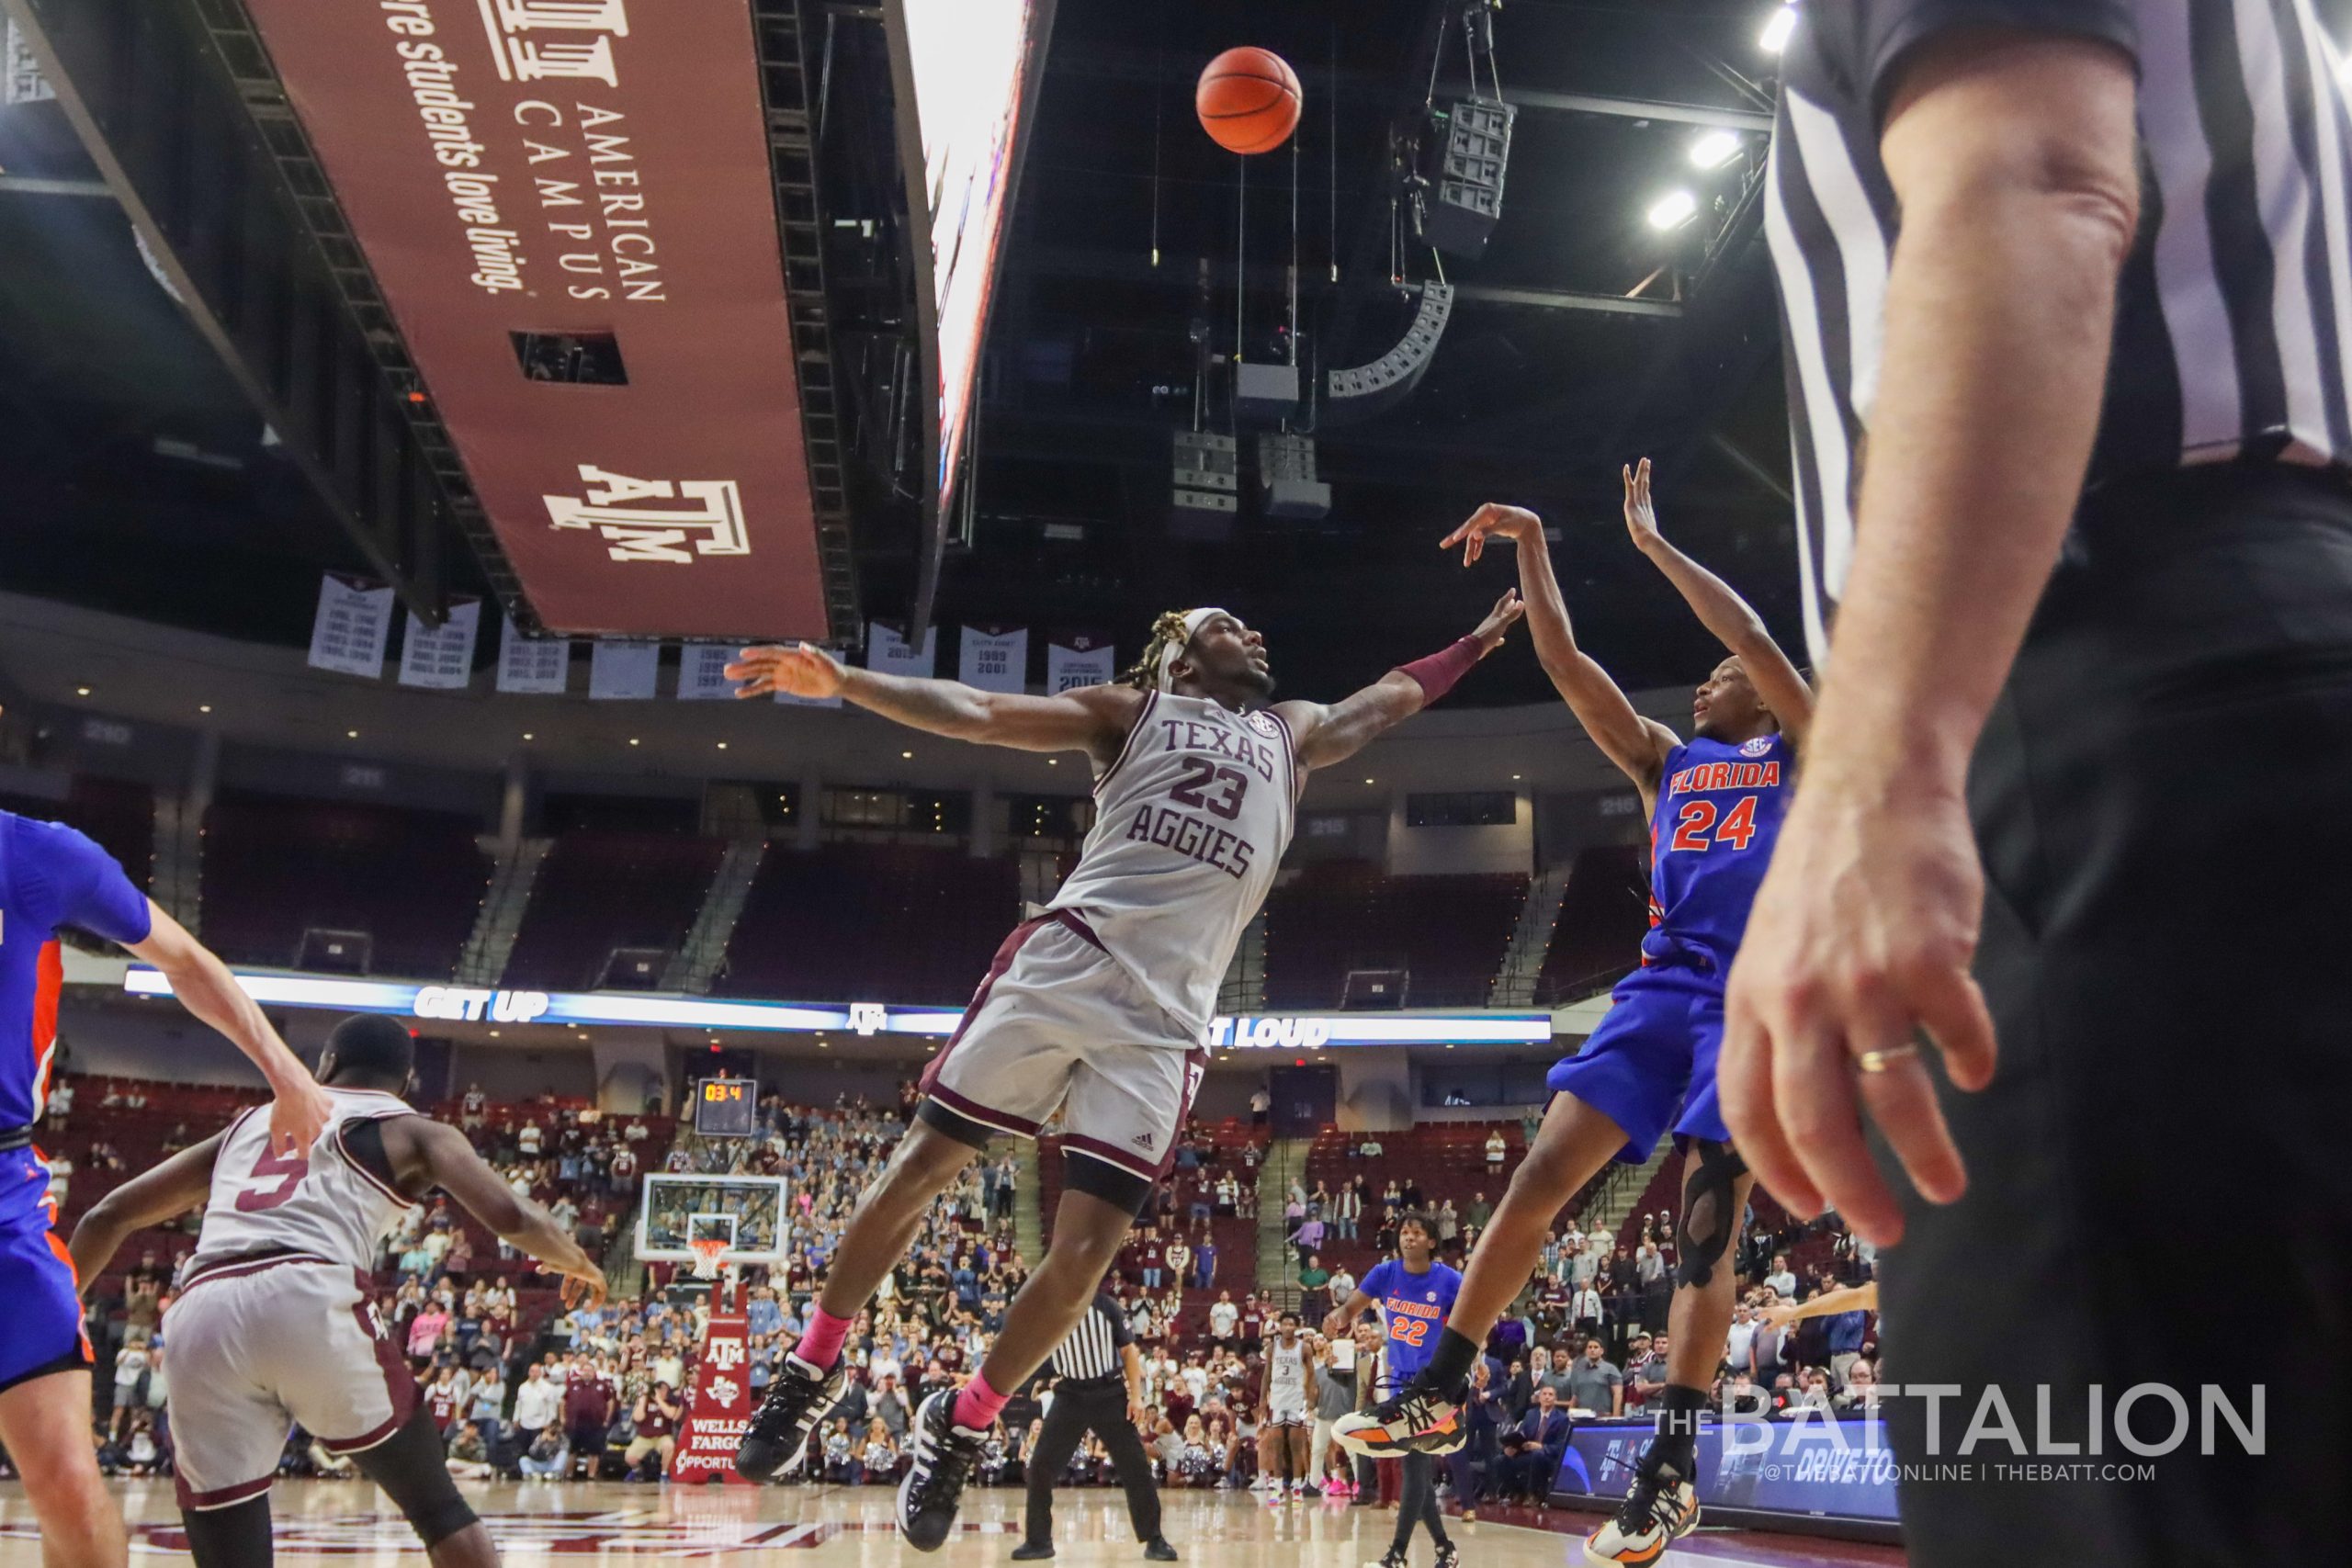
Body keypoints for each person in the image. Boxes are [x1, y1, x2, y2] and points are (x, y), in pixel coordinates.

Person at [1724, 6, 2352, 1565]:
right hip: (2282, 678)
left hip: (2131, 710)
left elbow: (2039, 173)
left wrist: (1880, 767)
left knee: (2097, 1498)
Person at [724, 596, 1523, 1552]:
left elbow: (1389, 699)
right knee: (921, 1169)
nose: (1256, 633)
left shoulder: (1290, 734)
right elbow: (978, 714)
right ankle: (812, 1368)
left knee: (1083, 1259)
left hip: (1167, 1022)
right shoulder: (1130, 712)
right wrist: (845, 682)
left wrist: (1473, 642)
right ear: (1179, 659)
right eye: (1230, 624)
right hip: (1071, 962)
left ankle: (965, 1422)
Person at [1339, 468, 1815, 1568]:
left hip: (1753, 998)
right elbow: (1563, 664)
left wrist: (1651, 547)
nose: (1707, 684)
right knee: (1535, 1180)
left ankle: (1667, 1476)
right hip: (1659, 990)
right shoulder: (1666, 761)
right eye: (1699, 677)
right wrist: (1537, 542)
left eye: (1721, 675)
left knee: (1706, 1236)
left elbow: (1745, 628)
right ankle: (1441, 1390)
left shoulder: (1800, 742)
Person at [66, 1014, 605, 1567]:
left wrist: (55, 1326)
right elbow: (512, 1215)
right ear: (406, 1081)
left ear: (326, 1064)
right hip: (308, 1292)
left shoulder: (247, 1125)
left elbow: (106, 1216)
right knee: (436, 1507)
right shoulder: (412, 1128)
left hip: (202, 1309)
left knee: (229, 1543)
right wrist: (583, 1263)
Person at [0, 807, 334, 1568]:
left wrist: (287, 1073)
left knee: (68, 1487)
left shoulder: (34, 854)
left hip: (4, 1202)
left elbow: (183, 959)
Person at [1319, 1213, 1463, 1568]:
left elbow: (1471, 1328)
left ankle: (1396, 1554)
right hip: (1399, 1381)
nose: (1408, 1238)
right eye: (1404, 1232)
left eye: (1417, 1233)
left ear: (1432, 1241)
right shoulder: (1385, 1273)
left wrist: (1475, 1364)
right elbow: (1350, 1308)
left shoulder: (1450, 1280)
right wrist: (1337, 1318)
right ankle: (1445, 1548)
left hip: (1436, 1383)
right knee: (1415, 1466)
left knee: (1415, 1465)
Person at [1011, 1292, 1177, 1562]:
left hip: (1108, 1392)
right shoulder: (1050, 1308)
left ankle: (1154, 1539)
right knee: (1040, 1465)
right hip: (1069, 1394)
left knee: (1135, 1465)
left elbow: (1128, 1351)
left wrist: (1136, 1396)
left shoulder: (1106, 1306)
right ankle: (1038, 1540)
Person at [1254, 1311, 1318, 1503]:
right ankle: (1277, 1485)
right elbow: (1267, 1374)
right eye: (1285, 1324)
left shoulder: (1305, 1347)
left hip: (1297, 1399)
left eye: (1292, 1324)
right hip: (1278, 1399)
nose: (1288, 1327)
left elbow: (1312, 1374)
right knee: (1276, 1444)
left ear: (1296, 1328)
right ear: (1279, 1327)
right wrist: (1262, 1400)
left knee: (1296, 1443)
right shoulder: (1272, 1348)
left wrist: (1311, 1398)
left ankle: (1297, 1485)